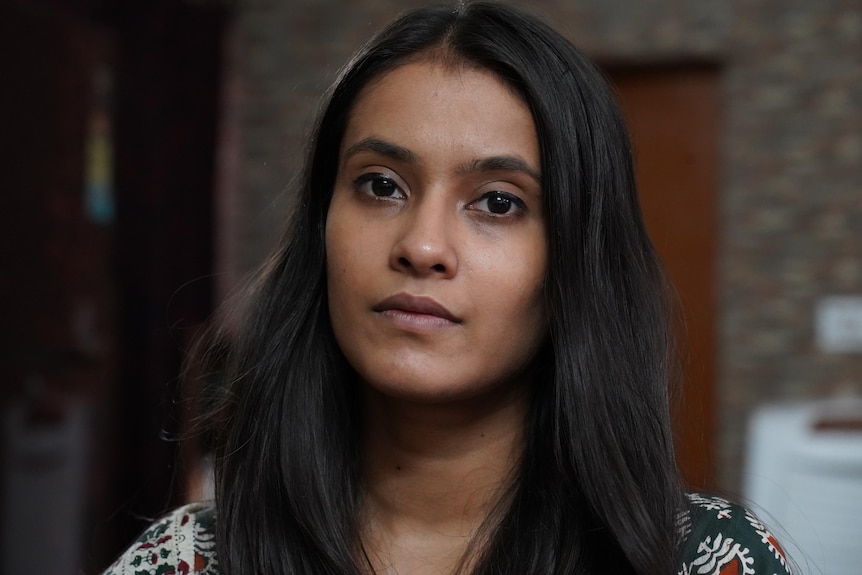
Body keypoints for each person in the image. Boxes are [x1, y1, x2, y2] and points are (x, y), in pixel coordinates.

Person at [104, 2, 794, 574]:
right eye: (381, 185)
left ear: (577, 264)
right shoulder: (186, 561)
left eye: (497, 202)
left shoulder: (709, 559)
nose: (422, 245)